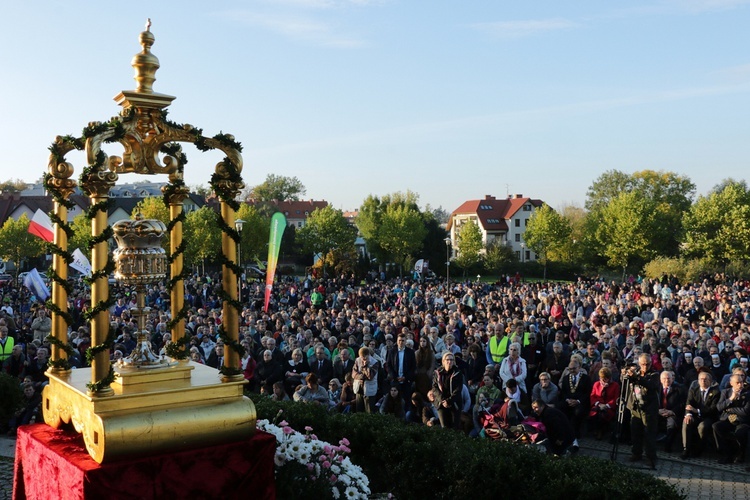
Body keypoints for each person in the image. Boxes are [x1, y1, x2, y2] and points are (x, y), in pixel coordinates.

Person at [624, 353, 661, 469]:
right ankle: (636, 453)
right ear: (639, 364)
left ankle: (651, 457)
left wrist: (637, 377)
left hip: (649, 409)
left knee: (649, 434)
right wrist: (627, 374)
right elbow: (625, 382)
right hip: (636, 407)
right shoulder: (637, 372)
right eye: (643, 364)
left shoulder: (654, 374)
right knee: (635, 432)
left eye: (648, 364)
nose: (645, 366)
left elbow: (651, 385)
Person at [712, 373, 750, 464]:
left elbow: (745, 411)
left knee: (741, 432)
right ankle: (726, 454)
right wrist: (730, 399)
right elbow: (719, 407)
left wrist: (731, 409)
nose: (740, 385)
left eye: (741, 382)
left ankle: (741, 455)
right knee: (716, 426)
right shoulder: (726, 392)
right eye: (737, 383)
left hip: (741, 421)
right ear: (731, 383)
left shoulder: (748, 394)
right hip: (727, 420)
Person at [682, 370, 720, 459]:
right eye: (701, 379)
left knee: (702, 427)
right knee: (686, 422)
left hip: (709, 417)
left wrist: (697, 411)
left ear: (710, 381)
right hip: (695, 416)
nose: (703, 381)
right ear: (698, 381)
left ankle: (699, 449)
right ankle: (686, 449)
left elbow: (712, 409)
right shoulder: (693, 390)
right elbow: (688, 403)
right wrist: (688, 415)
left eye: (706, 379)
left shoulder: (716, 392)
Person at [559, 358, 590, 441]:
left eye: (574, 368)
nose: (572, 370)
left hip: (580, 402)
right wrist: (567, 400)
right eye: (570, 369)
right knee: (560, 408)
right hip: (568, 401)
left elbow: (587, 393)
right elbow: (563, 392)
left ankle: (575, 433)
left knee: (578, 412)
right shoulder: (566, 378)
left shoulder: (586, 378)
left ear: (579, 367)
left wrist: (578, 401)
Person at [432, 351, 464, 429]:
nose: (449, 361)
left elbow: (458, 389)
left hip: (454, 403)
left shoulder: (458, 373)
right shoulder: (438, 373)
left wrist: (449, 401)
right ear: (443, 361)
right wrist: (443, 400)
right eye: (447, 360)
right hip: (441, 403)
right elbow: (434, 388)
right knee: (444, 427)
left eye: (451, 360)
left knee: (455, 427)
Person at [657, 370, 686, 453]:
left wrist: (672, 411)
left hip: (672, 412)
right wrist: (657, 410)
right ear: (660, 380)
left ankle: (668, 447)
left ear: (672, 379)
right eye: (664, 378)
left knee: (672, 425)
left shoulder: (679, 388)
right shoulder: (656, 388)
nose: (667, 380)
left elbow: (683, 403)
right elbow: (651, 401)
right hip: (658, 412)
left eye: (669, 378)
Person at [588, 367, 620, 440]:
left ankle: (601, 431)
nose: (603, 380)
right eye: (601, 378)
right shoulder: (596, 384)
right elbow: (592, 396)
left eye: (605, 378)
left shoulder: (615, 385)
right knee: (594, 413)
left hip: (608, 407)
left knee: (603, 415)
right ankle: (596, 429)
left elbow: (615, 398)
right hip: (598, 405)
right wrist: (599, 404)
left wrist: (607, 405)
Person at [352, 346, 379, 413]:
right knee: (359, 411)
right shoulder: (357, 360)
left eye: (364, 356)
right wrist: (362, 376)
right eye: (361, 357)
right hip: (359, 389)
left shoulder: (375, 362)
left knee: (369, 411)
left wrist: (365, 366)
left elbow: (370, 376)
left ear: (368, 355)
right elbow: (354, 374)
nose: (362, 358)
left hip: (369, 390)